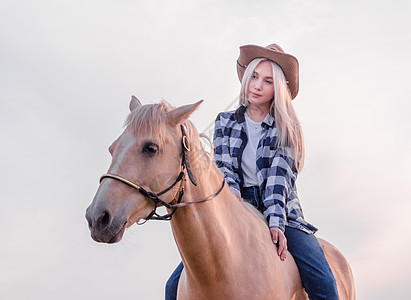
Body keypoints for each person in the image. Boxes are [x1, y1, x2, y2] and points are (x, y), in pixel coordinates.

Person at [165, 43, 339, 300]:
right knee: (173, 286)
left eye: (267, 81)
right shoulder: (225, 122)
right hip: (235, 204)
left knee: (322, 279)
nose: (257, 85)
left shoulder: (285, 129)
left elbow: (278, 182)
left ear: (277, 89)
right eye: (254, 77)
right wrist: (232, 199)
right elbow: (223, 166)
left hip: (281, 210)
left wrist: (276, 223)